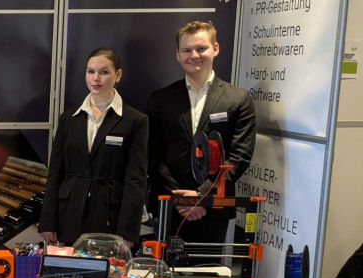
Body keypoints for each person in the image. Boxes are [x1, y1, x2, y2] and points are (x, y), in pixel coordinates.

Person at [145, 21, 256, 247]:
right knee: (162, 269)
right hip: (169, 205)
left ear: (215, 48)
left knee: (209, 269)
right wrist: (180, 198)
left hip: (214, 208)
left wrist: (202, 196)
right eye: (187, 50)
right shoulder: (160, 99)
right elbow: (152, 155)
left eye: (201, 48)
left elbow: (239, 157)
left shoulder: (239, 99)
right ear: (178, 55)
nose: (194, 55)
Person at [39, 47, 148, 247]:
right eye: (91, 71)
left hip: (109, 216)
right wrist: (48, 221)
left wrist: (127, 231)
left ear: (118, 75)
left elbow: (136, 179)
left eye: (104, 72)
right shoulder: (68, 119)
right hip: (69, 214)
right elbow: (55, 172)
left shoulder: (135, 121)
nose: (95, 78)